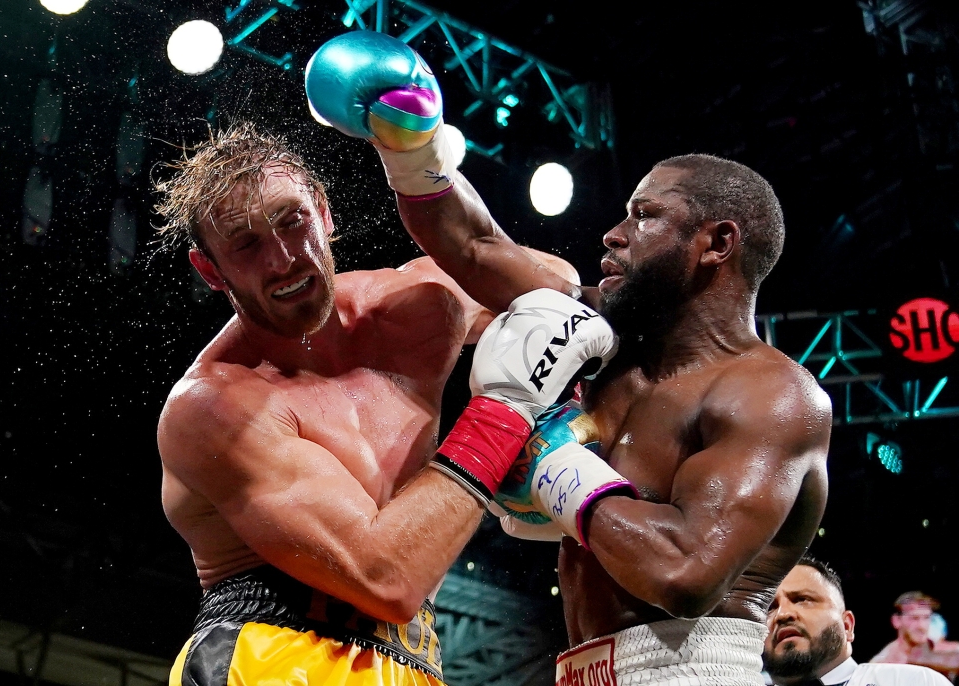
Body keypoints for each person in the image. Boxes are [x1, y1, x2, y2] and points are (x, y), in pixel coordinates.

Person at [306, 30, 834, 685]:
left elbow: (684, 573)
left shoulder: (773, 397)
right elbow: (472, 245)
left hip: (693, 672)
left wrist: (550, 459)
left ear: (716, 242)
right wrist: (412, 150)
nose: (614, 233)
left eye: (643, 216)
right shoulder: (597, 332)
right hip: (580, 669)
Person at [153, 122, 618, 686]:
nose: (282, 260)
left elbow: (555, 292)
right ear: (211, 271)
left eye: (291, 221)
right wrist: (505, 411)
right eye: (246, 243)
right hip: (272, 657)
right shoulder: (216, 406)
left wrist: (425, 174)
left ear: (323, 213)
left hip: (413, 662)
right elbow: (387, 576)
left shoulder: (417, 307)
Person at [763, 556, 951, 685]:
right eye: (770, 607)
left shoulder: (914, 682)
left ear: (847, 626)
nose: (782, 614)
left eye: (802, 599)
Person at [870, 591, 959, 680]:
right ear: (896, 621)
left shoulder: (938, 648)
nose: (922, 626)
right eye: (914, 618)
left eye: (926, 617)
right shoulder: (883, 665)